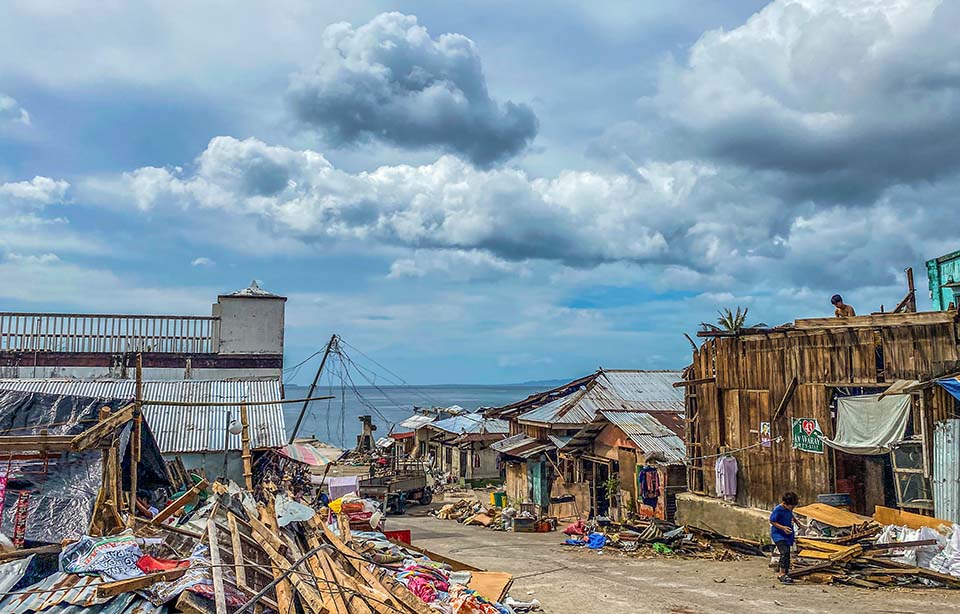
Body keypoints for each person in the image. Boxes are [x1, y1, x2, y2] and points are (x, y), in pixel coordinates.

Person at [770, 491, 799, 584]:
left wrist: (798, 523)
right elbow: (772, 521)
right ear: (785, 503)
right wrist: (783, 528)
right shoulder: (778, 509)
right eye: (791, 506)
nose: (793, 508)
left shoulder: (788, 509)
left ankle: (783, 570)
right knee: (785, 552)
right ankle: (782, 574)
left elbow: (791, 516)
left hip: (788, 534)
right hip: (778, 534)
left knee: (787, 553)